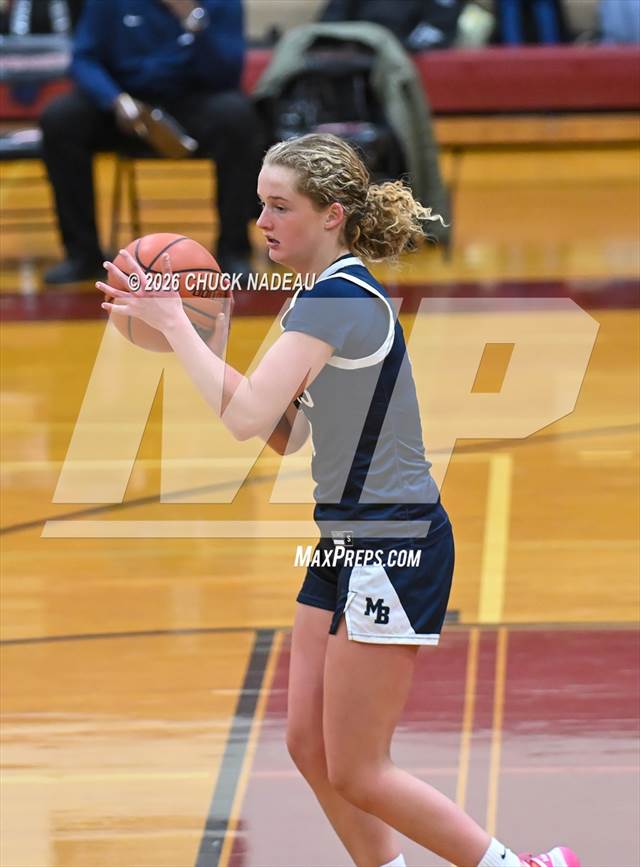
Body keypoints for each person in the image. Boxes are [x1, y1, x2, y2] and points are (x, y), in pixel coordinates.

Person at [97, 133, 580, 867]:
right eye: (261, 204)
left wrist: (172, 325)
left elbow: (246, 419)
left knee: (360, 768)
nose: (263, 221)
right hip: (349, 539)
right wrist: (206, 345)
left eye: (280, 206)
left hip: (394, 541)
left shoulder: (334, 300)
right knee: (307, 742)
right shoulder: (321, 295)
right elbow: (286, 433)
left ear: (331, 215)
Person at [40, 0, 261, 285]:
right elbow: (84, 60)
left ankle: (233, 251)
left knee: (239, 118)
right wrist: (113, 99)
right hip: (123, 104)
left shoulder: (221, 4)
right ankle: (82, 255)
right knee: (60, 119)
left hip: (192, 100)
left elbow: (227, 73)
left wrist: (192, 18)